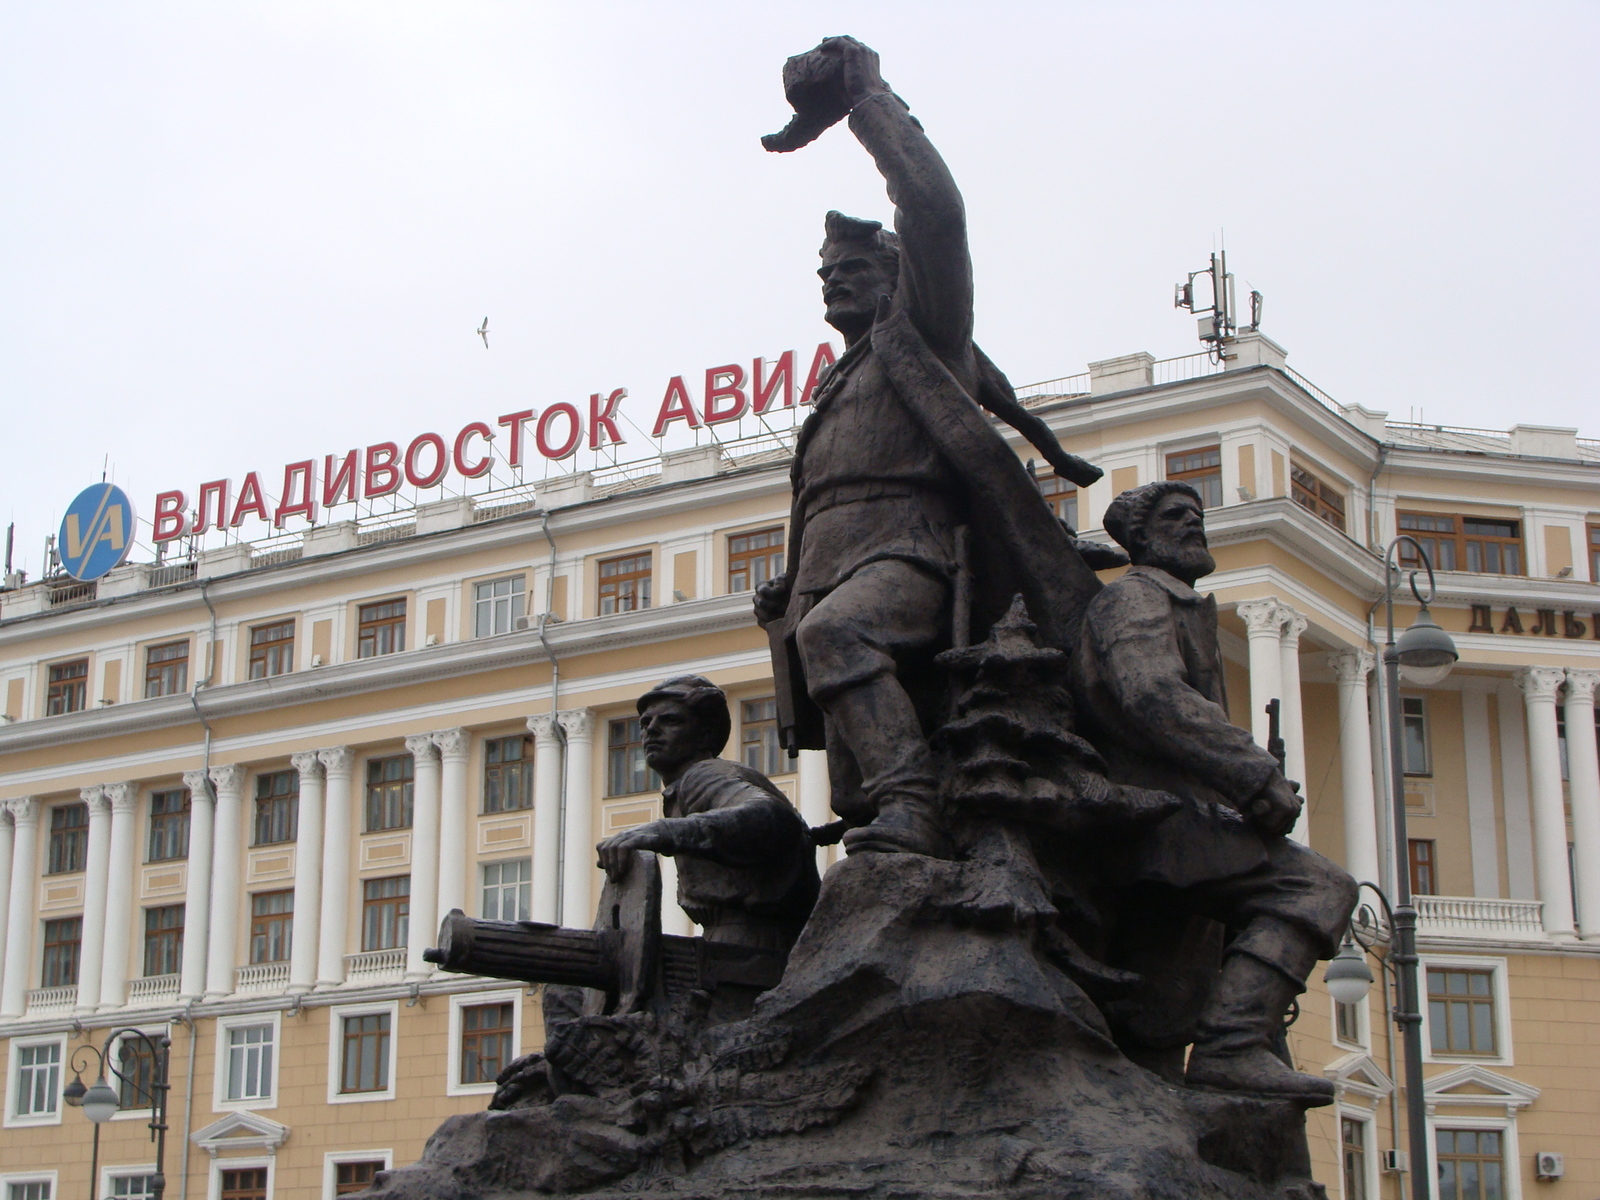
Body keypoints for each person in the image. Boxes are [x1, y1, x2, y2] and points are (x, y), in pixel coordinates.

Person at [754, 36, 1104, 859]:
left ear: (899, 274)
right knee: (851, 768)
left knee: (838, 639)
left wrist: (867, 101)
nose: (832, 281)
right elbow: (823, 494)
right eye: (825, 273)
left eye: (852, 267)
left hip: (912, 552)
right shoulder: (845, 379)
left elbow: (937, 213)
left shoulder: (927, 334)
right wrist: (795, 573)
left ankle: (915, 800)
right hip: (834, 566)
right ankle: (897, 819)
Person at [1071, 482, 1357, 1101]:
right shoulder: (1137, 597)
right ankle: (1233, 1046)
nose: (1194, 526)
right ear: (1139, 537)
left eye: (1199, 517)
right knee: (1319, 887)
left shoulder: (1178, 604)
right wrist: (1252, 771)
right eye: (1176, 517)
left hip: (1179, 819)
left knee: (1156, 1017)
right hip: (1153, 817)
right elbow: (1152, 695)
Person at [595, 676, 819, 954]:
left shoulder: (704, 775)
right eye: (645, 723)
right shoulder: (685, 787)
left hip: (754, 951)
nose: (651, 730)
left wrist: (662, 832)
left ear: (705, 735)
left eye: (670, 720)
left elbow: (771, 816)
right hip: (740, 944)